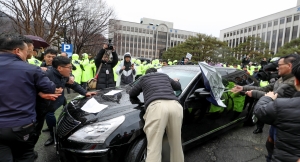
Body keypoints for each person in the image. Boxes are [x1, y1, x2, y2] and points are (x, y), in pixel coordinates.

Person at [0, 34, 58, 161]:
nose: (28, 55)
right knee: (24, 157)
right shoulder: (31, 69)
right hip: (21, 126)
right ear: (17, 51)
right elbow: (50, 88)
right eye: (27, 51)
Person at [129, 68, 184, 162]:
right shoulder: (165, 76)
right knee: (176, 145)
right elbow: (177, 87)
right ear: (157, 72)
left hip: (157, 108)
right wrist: (176, 81)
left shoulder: (143, 78)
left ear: (146, 74)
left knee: (154, 147)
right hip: (175, 106)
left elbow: (132, 93)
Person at [41, 56, 97, 146]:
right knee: (48, 117)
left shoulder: (63, 76)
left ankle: (54, 130)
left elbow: (73, 85)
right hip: (46, 104)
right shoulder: (46, 74)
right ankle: (52, 136)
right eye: (69, 68)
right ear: (59, 68)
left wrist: (85, 93)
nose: (71, 70)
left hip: (59, 101)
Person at [254, 55, 300, 162]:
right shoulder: (280, 79)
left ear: (296, 81)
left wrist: (267, 98)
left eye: (279, 65)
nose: (277, 68)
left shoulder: (281, 104)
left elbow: (260, 111)